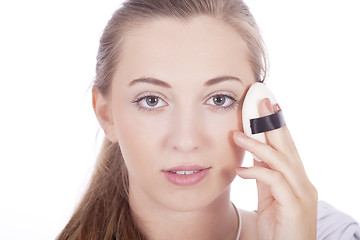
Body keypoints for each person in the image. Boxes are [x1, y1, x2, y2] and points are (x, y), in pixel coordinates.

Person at [57, 0, 360, 239]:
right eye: (151, 101)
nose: (186, 141)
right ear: (105, 114)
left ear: (255, 109)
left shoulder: (328, 233)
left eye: (219, 99)